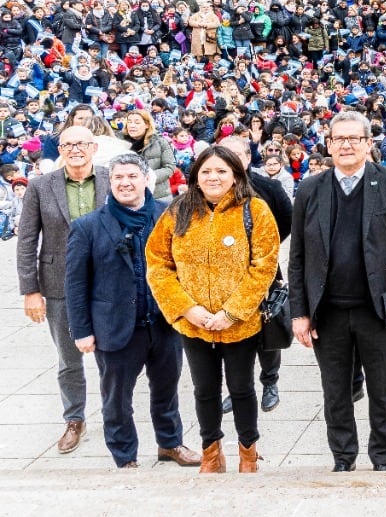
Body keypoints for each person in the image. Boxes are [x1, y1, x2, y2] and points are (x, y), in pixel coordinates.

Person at [289, 111, 386, 472]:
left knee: (382, 391)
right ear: (328, 145)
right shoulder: (311, 189)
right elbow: (298, 254)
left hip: (377, 309)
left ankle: (382, 459)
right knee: (336, 393)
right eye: (339, 139)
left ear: (367, 144)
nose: (346, 145)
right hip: (327, 311)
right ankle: (343, 458)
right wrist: (299, 313)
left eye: (354, 139)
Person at [145, 145, 280, 473]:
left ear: (235, 175)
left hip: (239, 322)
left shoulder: (255, 210)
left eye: (221, 170)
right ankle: (211, 450)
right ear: (195, 176)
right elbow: (158, 262)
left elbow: (264, 266)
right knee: (204, 389)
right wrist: (185, 308)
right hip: (194, 323)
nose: (213, 177)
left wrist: (233, 312)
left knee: (241, 387)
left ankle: (248, 451)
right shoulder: (178, 211)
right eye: (206, 171)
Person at [64, 154, 201, 469]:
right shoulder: (87, 227)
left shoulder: (170, 214)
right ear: (110, 183)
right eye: (118, 178)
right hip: (115, 327)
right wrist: (81, 331)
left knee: (167, 389)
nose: (125, 183)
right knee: (117, 399)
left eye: (131, 176)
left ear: (145, 179)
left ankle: (170, 443)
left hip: (164, 324)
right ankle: (125, 456)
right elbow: (75, 285)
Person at [15, 125, 108, 455]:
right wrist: (30, 290)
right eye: (67, 144)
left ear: (94, 147)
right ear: (60, 149)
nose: (75, 149)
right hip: (58, 284)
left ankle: (114, 417)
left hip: (107, 283)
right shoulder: (41, 186)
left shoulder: (113, 179)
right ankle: (74, 419)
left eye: (81, 143)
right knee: (69, 359)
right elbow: (26, 240)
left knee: (113, 356)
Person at [218, 136, 294, 414]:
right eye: (225, 154)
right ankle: (237, 388)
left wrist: (265, 250)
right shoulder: (209, 188)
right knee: (231, 331)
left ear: (248, 158)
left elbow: (287, 221)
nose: (231, 159)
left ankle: (270, 381)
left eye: (237, 154)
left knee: (268, 328)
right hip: (224, 275)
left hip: (263, 270)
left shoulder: (268, 187)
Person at [122, 110, 176, 198]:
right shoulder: (119, 142)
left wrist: (148, 178)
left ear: (147, 124)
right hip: (128, 195)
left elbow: (170, 167)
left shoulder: (160, 142)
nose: (132, 125)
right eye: (129, 122)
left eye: (137, 122)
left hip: (157, 195)